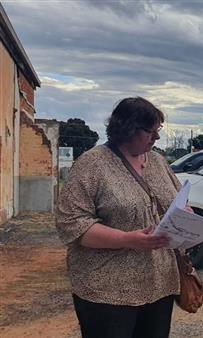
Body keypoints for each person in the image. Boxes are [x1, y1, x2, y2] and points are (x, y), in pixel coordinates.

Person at [56, 97, 181, 338]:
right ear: (128, 128)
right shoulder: (92, 164)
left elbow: (174, 202)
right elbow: (71, 224)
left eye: (158, 131)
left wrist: (184, 217)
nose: (156, 138)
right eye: (150, 131)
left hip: (159, 285)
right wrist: (127, 239)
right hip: (108, 291)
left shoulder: (157, 161)